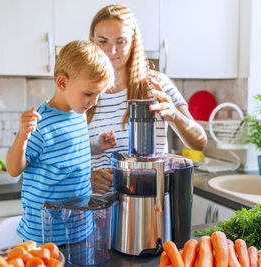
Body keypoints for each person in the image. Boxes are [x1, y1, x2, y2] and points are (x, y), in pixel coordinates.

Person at [87, 5, 207, 194]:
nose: (112, 50)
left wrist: (174, 115)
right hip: (99, 211)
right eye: (103, 41)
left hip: (150, 208)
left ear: (133, 42)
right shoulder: (84, 91)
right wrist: (88, 180)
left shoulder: (157, 84)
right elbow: (68, 154)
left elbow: (199, 142)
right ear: (92, 39)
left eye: (121, 41)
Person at [6, 40, 115, 245]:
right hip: (45, 235)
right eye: (89, 94)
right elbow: (13, 169)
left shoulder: (78, 114)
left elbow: (67, 152)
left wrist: (98, 146)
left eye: (98, 95)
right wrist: (22, 136)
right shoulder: (41, 122)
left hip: (80, 227)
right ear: (63, 83)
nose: (94, 102)